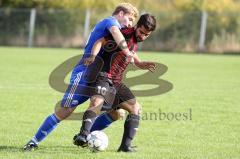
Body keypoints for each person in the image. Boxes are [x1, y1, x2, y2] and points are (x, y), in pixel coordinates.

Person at [23, 3, 139, 151]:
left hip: (101, 76)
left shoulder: (116, 30)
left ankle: (85, 135)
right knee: (66, 110)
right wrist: (128, 52)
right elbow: (116, 34)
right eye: (129, 19)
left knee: (116, 113)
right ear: (121, 13)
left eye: (132, 22)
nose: (129, 24)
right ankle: (33, 141)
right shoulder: (110, 22)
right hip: (84, 73)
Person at [73, 13, 157, 152]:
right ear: (137, 26)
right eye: (141, 32)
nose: (143, 36)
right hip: (103, 75)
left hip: (116, 81)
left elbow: (130, 51)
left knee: (135, 109)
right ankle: (82, 136)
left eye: (147, 35)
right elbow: (100, 41)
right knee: (96, 103)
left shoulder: (135, 40)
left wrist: (139, 63)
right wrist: (93, 56)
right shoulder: (122, 33)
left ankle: (125, 147)